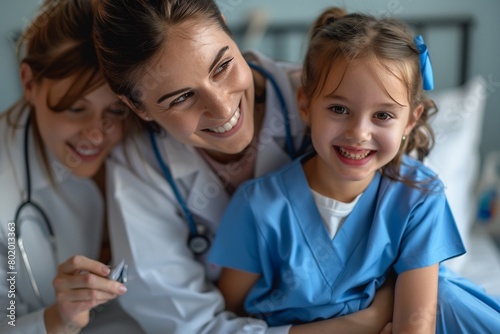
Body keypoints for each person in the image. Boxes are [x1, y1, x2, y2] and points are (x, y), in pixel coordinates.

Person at [93, 1, 394, 333]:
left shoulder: (338, 104)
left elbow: (411, 237)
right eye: (181, 98)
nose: (222, 110)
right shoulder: (140, 168)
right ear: (137, 106)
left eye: (222, 66)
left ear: (226, 26)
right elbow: (190, 325)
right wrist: (364, 323)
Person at [209, 7, 500, 334]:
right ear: (305, 105)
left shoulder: (418, 196)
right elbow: (227, 316)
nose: (359, 132)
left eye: (383, 116)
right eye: (339, 109)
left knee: (447, 298)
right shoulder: (259, 206)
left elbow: (416, 322)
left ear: (412, 120)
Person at [0, 0, 144, 333]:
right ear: (29, 83)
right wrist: (59, 318)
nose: (96, 133)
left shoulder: (150, 140)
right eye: (76, 109)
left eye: (115, 111)